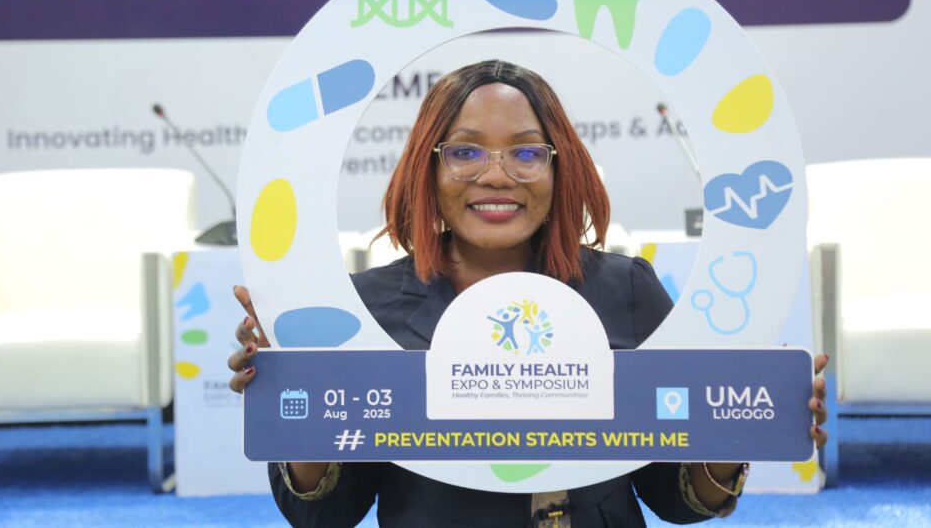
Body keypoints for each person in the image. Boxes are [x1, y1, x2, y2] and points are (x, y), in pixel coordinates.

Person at [229, 60, 830, 528]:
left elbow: (675, 497)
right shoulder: (365, 309)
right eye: (465, 152)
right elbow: (324, 514)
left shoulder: (625, 290)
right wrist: (294, 381)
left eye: (525, 152)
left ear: (559, 168)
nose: (496, 175)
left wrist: (743, 415)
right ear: (427, 170)